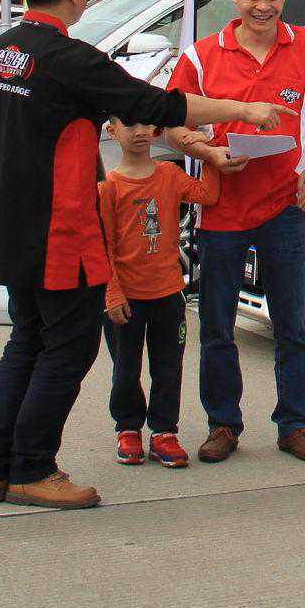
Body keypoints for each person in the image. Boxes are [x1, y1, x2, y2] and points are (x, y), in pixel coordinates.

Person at [0, 0, 283, 509]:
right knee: (66, 351)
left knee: (27, 342)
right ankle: (32, 466)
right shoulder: (69, 59)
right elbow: (158, 105)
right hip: (61, 235)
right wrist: (242, 109)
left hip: (11, 230)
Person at [165, 0, 305, 464]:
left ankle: (294, 424)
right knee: (217, 325)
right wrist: (207, 153)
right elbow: (171, 121)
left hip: (284, 206)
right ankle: (222, 424)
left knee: (292, 324)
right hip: (220, 210)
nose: (262, 7)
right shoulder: (202, 56)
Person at [98, 119, 220, 469]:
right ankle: (128, 428)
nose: (139, 132)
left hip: (168, 293)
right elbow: (102, 246)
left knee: (168, 367)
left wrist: (208, 153)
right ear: (112, 131)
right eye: (128, 125)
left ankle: (164, 431)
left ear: (156, 131)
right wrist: (112, 293)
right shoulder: (109, 187)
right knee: (126, 368)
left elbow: (208, 195)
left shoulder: (169, 174)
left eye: (146, 125)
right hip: (125, 299)